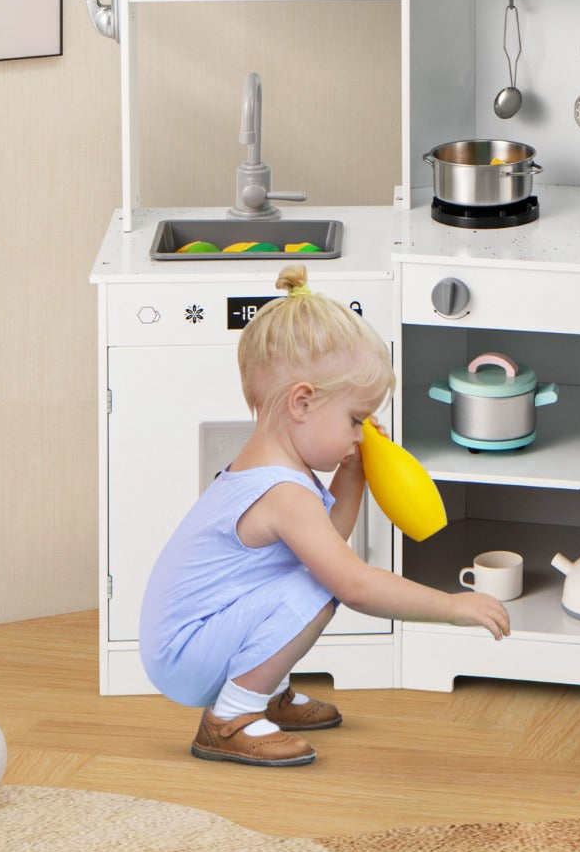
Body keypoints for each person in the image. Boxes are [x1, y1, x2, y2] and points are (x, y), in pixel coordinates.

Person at [139, 264, 510, 767]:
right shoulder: (282, 493)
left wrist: (353, 470)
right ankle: (231, 717)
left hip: (195, 641)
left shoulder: (273, 469)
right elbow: (352, 584)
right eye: (354, 420)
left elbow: (329, 540)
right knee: (320, 585)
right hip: (186, 654)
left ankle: (265, 693)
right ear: (302, 403)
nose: (360, 433)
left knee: (314, 575)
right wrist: (450, 607)